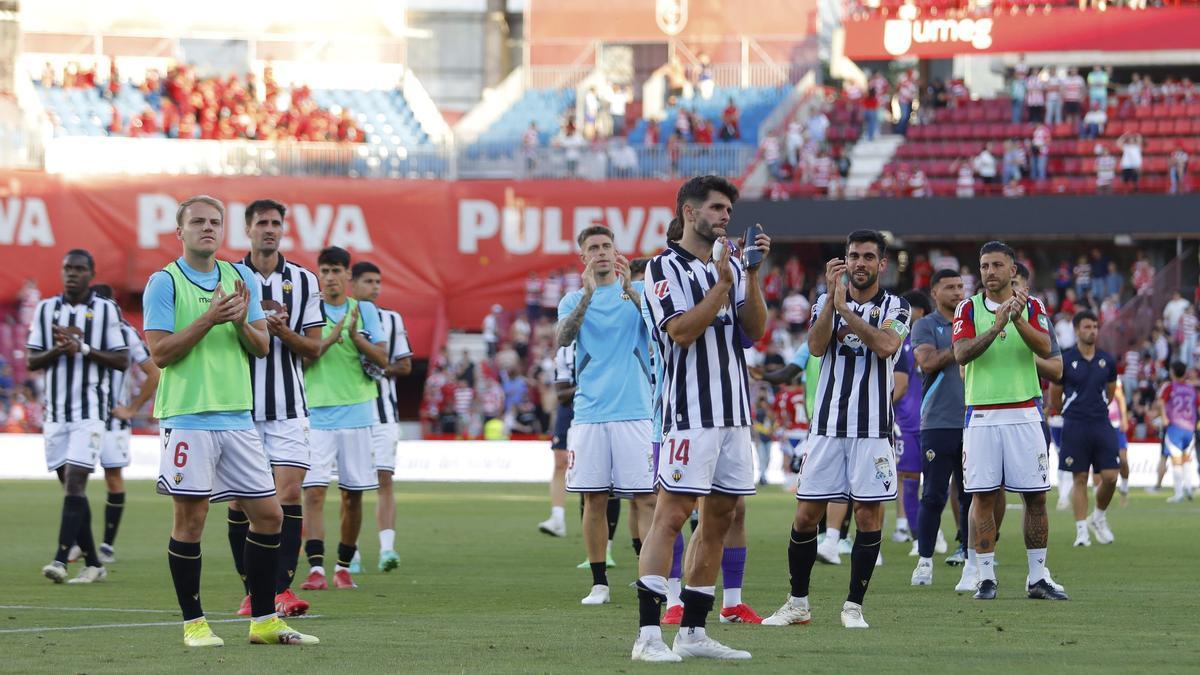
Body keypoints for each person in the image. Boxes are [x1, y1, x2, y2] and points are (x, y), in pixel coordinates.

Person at [143, 195, 316, 646]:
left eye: (214, 222)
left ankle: (263, 621)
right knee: (192, 520)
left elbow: (260, 346)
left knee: (269, 515)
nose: (207, 228)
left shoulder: (238, 277)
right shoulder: (164, 283)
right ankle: (194, 624)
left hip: (239, 417)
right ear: (179, 232)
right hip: (188, 416)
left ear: (224, 231)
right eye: (197, 222)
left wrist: (240, 321)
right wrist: (210, 318)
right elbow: (160, 353)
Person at [634, 176, 768, 662]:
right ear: (689, 212)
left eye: (729, 209)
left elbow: (753, 330)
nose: (725, 217)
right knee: (671, 516)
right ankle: (648, 637)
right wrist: (723, 284)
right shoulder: (662, 268)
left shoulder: (730, 264)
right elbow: (683, 331)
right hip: (690, 413)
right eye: (716, 208)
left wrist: (749, 275)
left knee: (721, 519)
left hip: (734, 414)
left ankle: (692, 632)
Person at [762, 230, 910, 630]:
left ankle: (853, 607)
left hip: (874, 430)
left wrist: (846, 311)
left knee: (867, 516)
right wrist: (831, 301)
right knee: (806, 514)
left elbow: (885, 345)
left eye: (867, 257)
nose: (860, 263)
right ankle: (797, 603)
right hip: (827, 427)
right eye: (853, 256)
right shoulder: (824, 303)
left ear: (881, 264)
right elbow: (813, 346)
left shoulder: (898, 305)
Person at [226, 199, 326, 618]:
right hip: (239, 408)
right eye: (261, 222)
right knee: (241, 503)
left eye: (276, 223)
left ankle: (280, 590)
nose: (269, 229)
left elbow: (315, 350)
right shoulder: (228, 278)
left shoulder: (304, 281)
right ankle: (253, 589)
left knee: (286, 495)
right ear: (247, 228)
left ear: (283, 230)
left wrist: (283, 331)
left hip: (289, 407)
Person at [951, 241, 1067, 601]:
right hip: (982, 414)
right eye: (984, 266)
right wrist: (995, 326)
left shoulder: (1032, 307)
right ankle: (986, 577)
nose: (989, 272)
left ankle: (1037, 577)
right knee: (982, 496)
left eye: (997, 265)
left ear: (1012, 270)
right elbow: (961, 352)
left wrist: (1015, 319)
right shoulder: (967, 308)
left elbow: (1046, 348)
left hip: (1024, 412)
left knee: (1036, 497)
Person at [557, 225, 655, 607]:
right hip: (590, 413)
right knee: (593, 499)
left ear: (617, 252)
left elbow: (660, 331)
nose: (600, 252)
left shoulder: (641, 292)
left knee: (646, 499)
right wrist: (585, 296)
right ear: (583, 258)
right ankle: (599, 582)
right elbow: (564, 337)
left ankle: (651, 578)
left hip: (636, 409)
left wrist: (630, 289)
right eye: (593, 248)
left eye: (606, 246)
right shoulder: (571, 299)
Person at [29, 251, 129, 585]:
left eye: (79, 269)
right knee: (73, 490)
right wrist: (59, 350)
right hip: (55, 415)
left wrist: (82, 349)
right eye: (67, 268)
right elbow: (32, 360)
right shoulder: (46, 309)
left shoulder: (105, 310)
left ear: (91, 273)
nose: (72, 274)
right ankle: (95, 563)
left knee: (75, 482)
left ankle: (60, 559)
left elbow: (121, 360)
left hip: (90, 413)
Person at [299, 246, 390, 593]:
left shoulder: (364, 310)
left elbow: (383, 358)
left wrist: (355, 338)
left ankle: (343, 565)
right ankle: (316, 569)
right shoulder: (309, 312)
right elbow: (302, 360)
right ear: (318, 275)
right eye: (325, 271)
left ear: (348, 276)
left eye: (337, 270)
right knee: (314, 494)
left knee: (353, 495)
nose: (331, 277)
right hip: (316, 413)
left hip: (357, 414)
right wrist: (332, 336)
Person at [351, 261, 413, 572]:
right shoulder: (338, 316)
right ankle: (352, 553)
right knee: (351, 487)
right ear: (353, 284)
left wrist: (378, 366)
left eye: (378, 281)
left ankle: (387, 549)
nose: (375, 287)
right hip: (347, 414)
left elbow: (404, 366)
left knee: (383, 480)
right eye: (368, 281)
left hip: (384, 415)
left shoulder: (391, 319)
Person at [91, 285, 159, 565]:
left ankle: (106, 544)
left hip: (112, 421)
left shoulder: (124, 332)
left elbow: (153, 371)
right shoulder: (74, 331)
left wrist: (131, 408)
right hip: (79, 417)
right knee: (73, 480)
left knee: (113, 479)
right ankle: (76, 541)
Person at [909, 270, 970, 588]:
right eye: (950, 287)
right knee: (933, 495)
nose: (958, 292)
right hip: (937, 422)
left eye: (960, 286)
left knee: (972, 494)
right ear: (934, 292)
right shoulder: (925, 325)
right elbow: (927, 363)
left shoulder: (973, 320)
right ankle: (924, 561)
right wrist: (962, 348)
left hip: (974, 420)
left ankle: (973, 562)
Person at [1049, 310, 1119, 547]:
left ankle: (1098, 517)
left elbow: (1110, 392)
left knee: (1110, 477)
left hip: (1101, 422)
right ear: (1077, 330)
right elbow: (1055, 396)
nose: (1092, 331)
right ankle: (1081, 531)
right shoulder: (1066, 360)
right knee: (1079, 477)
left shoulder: (1107, 361)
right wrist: (1070, 411)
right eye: (1088, 327)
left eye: (1095, 327)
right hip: (1075, 424)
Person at [894, 291, 946, 557]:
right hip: (906, 424)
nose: (904, 313)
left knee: (938, 484)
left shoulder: (931, 342)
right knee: (910, 479)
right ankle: (918, 537)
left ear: (922, 312)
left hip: (935, 421)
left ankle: (938, 532)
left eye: (909, 308)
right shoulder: (897, 343)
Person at [538, 340, 575, 538]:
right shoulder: (565, 350)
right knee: (560, 460)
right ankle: (557, 518)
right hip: (569, 406)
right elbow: (561, 392)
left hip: (598, 408)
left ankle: (606, 538)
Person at [1156, 361, 1197, 503]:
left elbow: (1160, 402)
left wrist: (1164, 417)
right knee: (1187, 459)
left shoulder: (1169, 387)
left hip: (1175, 428)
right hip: (1190, 429)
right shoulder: (1191, 388)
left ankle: (1179, 494)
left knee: (1177, 461)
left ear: (1172, 371)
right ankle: (1189, 488)